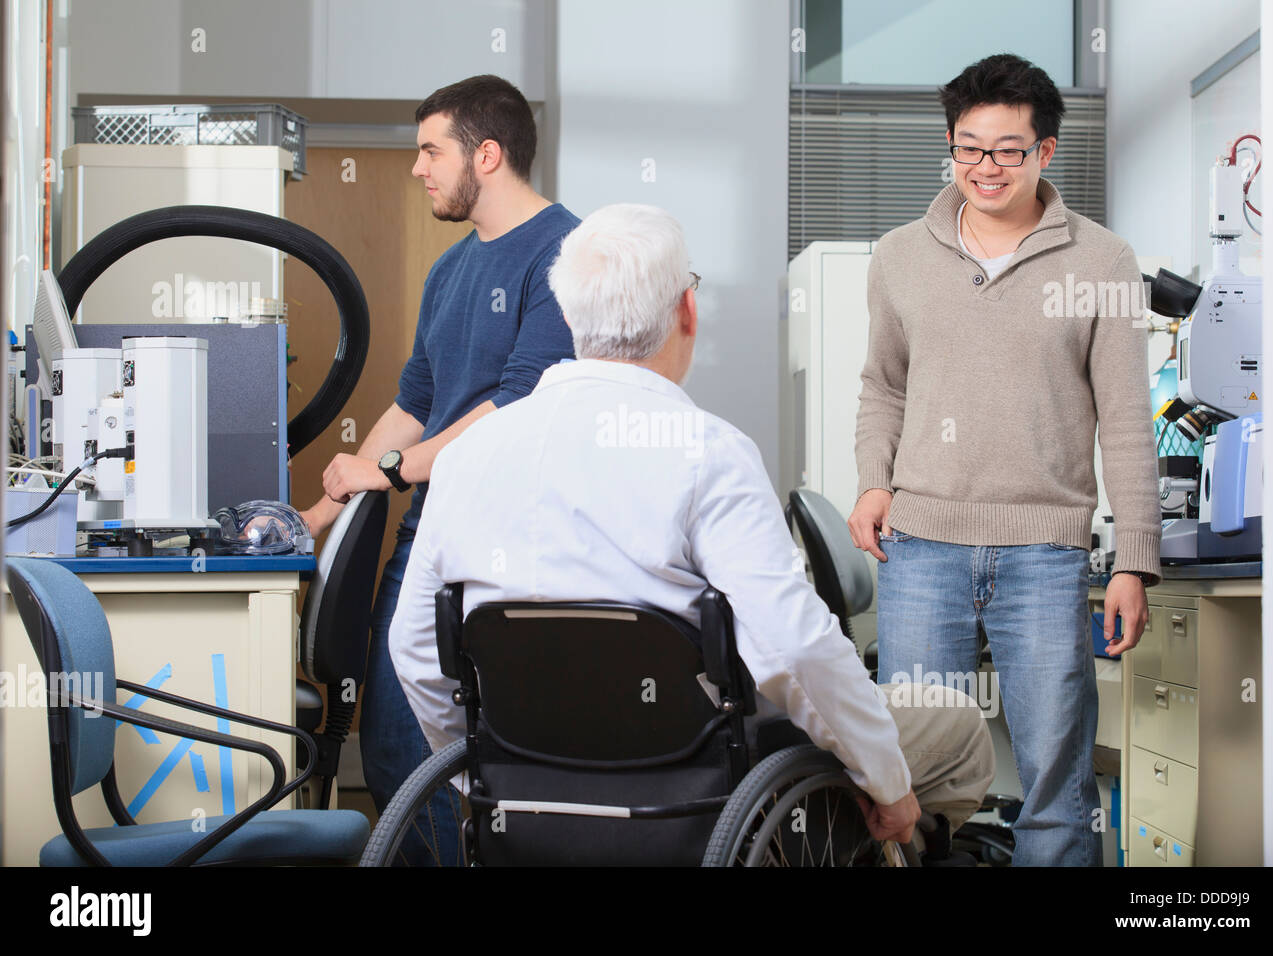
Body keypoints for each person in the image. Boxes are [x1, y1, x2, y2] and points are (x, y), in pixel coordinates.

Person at [389, 203, 996, 859]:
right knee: (955, 726)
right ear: (687, 311)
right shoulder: (707, 451)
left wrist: (492, 769)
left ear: (568, 316)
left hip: (529, 792)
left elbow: (416, 651)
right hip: (707, 795)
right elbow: (793, 648)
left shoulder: (464, 457)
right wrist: (888, 782)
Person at [847, 54, 1161, 866]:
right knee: (914, 772)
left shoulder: (1104, 262)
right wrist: (873, 482)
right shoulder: (899, 256)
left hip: (1046, 555)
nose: (986, 168)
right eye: (969, 147)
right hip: (921, 547)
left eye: (1008, 149)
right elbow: (882, 387)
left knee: (1056, 777)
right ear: (950, 147)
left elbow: (1127, 421)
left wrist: (1135, 559)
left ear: (1046, 152)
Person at [299, 75, 580, 864]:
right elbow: (416, 399)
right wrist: (326, 500)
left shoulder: (565, 254)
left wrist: (387, 469)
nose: (418, 167)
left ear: (486, 154)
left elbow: (518, 410)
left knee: (485, 768)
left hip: (514, 549)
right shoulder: (450, 270)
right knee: (393, 752)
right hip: (430, 534)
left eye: (432, 150)